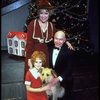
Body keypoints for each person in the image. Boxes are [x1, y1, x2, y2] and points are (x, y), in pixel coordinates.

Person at [24, 0, 74, 79]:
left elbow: (58, 36)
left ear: (49, 13)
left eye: (46, 13)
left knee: (44, 78)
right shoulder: (32, 24)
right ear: (38, 13)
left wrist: (66, 41)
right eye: (41, 13)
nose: (43, 16)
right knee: (33, 78)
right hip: (34, 54)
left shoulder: (51, 25)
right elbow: (29, 43)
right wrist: (30, 58)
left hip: (46, 55)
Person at [47, 30, 74, 100]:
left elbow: (69, 68)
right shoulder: (49, 45)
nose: (57, 42)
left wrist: (58, 78)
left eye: (61, 40)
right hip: (50, 76)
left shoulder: (69, 51)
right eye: (56, 39)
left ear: (64, 40)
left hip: (63, 78)